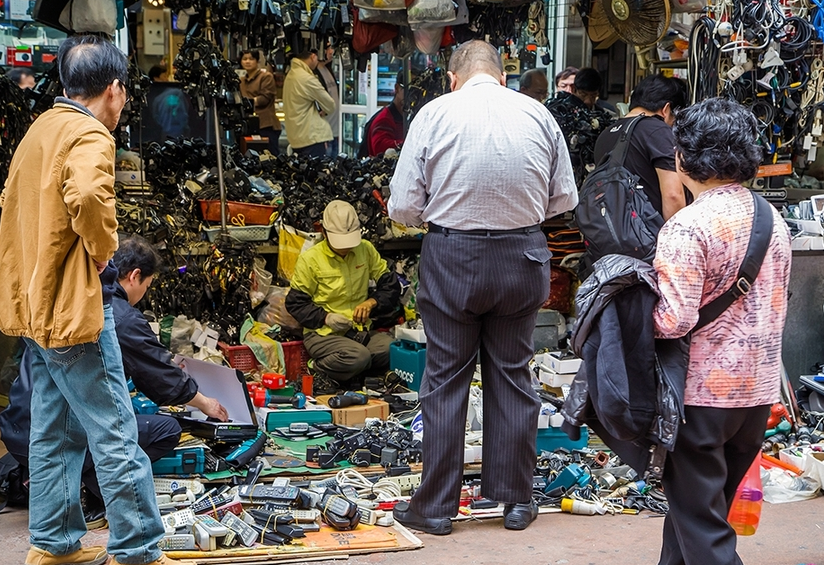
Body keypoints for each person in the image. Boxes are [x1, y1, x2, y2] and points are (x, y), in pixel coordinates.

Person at [388, 40, 578, 535]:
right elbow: (562, 200)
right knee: (514, 375)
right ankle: (515, 501)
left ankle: (435, 508)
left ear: (454, 77)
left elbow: (404, 207)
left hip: (453, 255)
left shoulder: (435, 114)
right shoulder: (538, 115)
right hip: (523, 257)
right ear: (502, 74)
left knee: (446, 377)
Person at [0, 35, 177, 565]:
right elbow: (90, 197)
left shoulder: (40, 130)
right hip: (75, 312)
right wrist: (104, 254)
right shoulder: (90, 134)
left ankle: (52, 548)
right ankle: (139, 549)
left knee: (54, 433)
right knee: (116, 430)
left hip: (36, 307)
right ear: (115, 89)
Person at [652, 98, 791, 565]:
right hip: (756, 394)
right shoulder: (774, 221)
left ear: (683, 159)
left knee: (703, 527)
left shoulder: (687, 227)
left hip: (701, 397)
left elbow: (672, 320)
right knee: (697, 513)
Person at [285, 200, 401, 386]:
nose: (346, 247)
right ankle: (317, 368)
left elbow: (391, 286)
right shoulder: (310, 259)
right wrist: (326, 317)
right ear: (324, 232)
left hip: (358, 332)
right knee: (358, 356)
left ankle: (350, 372)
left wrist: (371, 303)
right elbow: (295, 304)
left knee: (393, 349)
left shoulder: (365, 250)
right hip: (323, 334)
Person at [593, 73, 690, 222]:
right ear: (666, 109)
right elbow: (673, 195)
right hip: (648, 236)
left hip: (612, 233)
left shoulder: (605, 134)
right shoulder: (658, 129)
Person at [547, 67, 614, 185]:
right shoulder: (560, 111)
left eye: (593, 96)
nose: (588, 101)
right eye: (583, 95)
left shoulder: (604, 115)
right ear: (574, 90)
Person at [283, 50, 336, 158]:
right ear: (313, 56)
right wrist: (324, 111)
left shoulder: (291, 74)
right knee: (317, 172)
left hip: (297, 136)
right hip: (311, 137)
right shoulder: (306, 78)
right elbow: (330, 105)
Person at [239, 49, 282, 155]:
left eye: (251, 59)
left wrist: (247, 102)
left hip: (266, 125)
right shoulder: (241, 81)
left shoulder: (266, 77)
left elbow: (264, 99)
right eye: (245, 59)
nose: (247, 61)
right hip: (248, 126)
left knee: (270, 157)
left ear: (257, 61)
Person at [364, 70, 406, 157]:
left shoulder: (405, 117)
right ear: (397, 88)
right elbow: (380, 148)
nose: (414, 95)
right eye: (409, 89)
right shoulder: (384, 119)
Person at [314, 43, 341, 155]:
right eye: (328, 48)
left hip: (335, 131)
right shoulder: (314, 74)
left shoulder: (327, 70)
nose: (331, 52)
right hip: (326, 135)